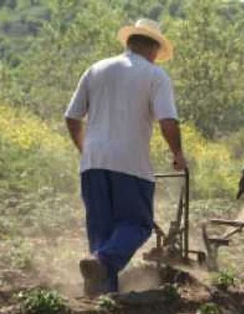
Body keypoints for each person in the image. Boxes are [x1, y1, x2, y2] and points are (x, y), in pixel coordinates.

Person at [64, 18, 186, 297]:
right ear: (154, 49)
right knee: (138, 224)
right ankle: (102, 264)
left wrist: (87, 150)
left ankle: (102, 293)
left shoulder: (96, 69)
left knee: (102, 233)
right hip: (131, 165)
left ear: (130, 42)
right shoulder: (155, 75)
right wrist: (178, 154)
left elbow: (72, 117)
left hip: (92, 165)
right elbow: (168, 120)